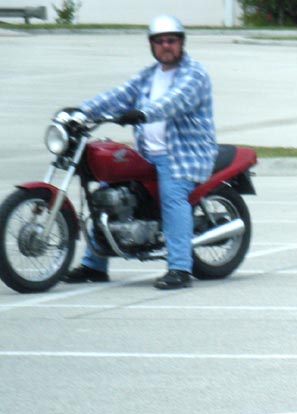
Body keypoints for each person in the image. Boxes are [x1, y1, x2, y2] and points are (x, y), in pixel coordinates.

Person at [65, 14, 217, 290]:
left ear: (181, 43)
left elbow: (173, 102)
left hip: (182, 154)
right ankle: (94, 265)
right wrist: (80, 111)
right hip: (147, 153)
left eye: (171, 40)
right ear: (152, 45)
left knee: (172, 196)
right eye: (160, 41)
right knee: (106, 190)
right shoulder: (148, 76)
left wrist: (143, 113)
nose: (166, 46)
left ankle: (180, 268)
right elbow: (118, 94)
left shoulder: (194, 74)